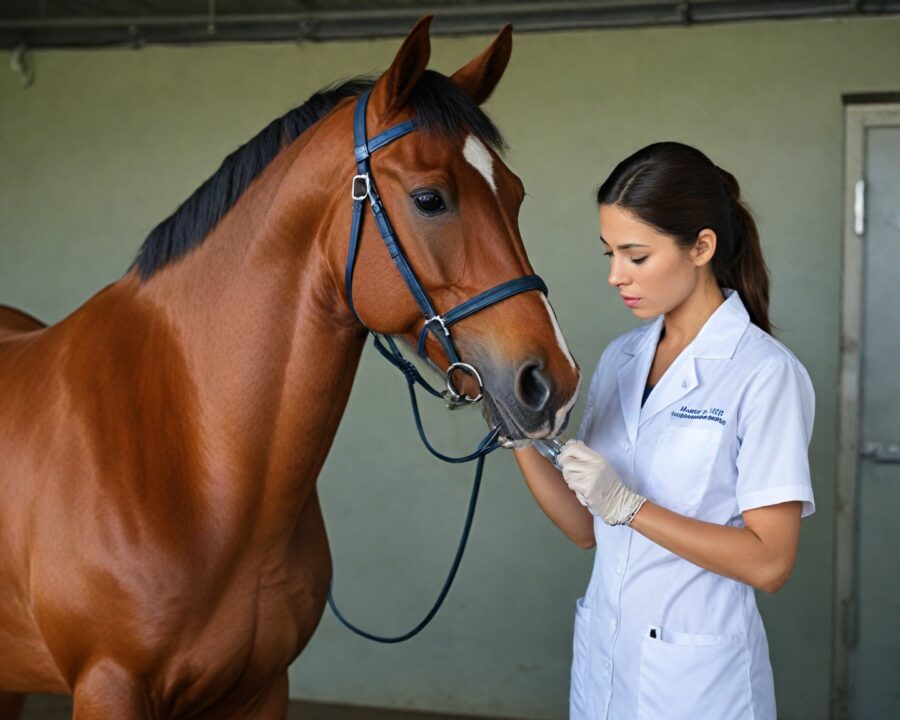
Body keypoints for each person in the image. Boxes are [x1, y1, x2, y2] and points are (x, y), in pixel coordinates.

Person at [511, 141, 815, 720]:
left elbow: (770, 563)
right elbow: (585, 528)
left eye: (636, 256)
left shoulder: (765, 374)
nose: (614, 275)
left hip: (697, 687)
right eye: (609, 253)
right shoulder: (622, 359)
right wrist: (519, 435)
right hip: (605, 666)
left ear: (702, 247)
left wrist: (628, 505)